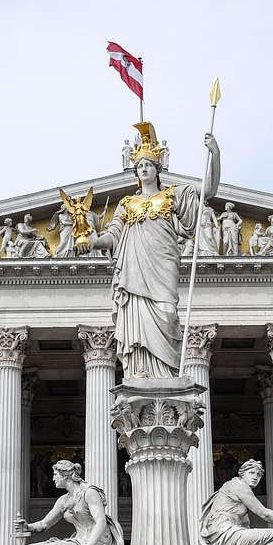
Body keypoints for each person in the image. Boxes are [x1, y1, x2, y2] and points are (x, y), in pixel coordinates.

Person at [89, 122, 220, 379]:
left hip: (163, 265)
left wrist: (215, 155)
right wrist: (93, 242)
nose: (144, 169)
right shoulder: (127, 204)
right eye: (139, 166)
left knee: (167, 313)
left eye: (148, 164)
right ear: (136, 171)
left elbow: (209, 191)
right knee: (137, 318)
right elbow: (114, 235)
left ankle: (168, 376)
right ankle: (140, 372)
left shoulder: (172, 196)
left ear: (157, 169)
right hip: (134, 270)